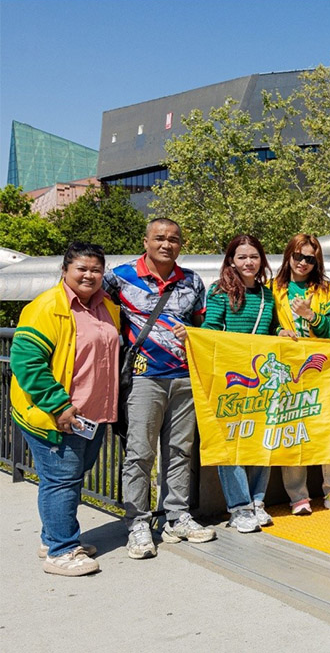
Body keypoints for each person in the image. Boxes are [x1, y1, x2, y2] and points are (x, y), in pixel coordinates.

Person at [104, 218, 215, 560]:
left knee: (180, 451)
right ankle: (137, 522)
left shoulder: (193, 281)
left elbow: (205, 324)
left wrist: (194, 334)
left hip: (184, 378)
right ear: (146, 241)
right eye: (160, 238)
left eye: (173, 239)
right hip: (143, 379)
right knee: (140, 453)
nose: (166, 244)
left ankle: (176, 516)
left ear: (181, 244)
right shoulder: (118, 276)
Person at [11, 243, 119, 576]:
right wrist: (59, 406)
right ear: (65, 270)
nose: (89, 275)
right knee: (61, 480)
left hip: (94, 414)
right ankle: (61, 551)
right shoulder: (45, 308)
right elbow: (26, 362)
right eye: (81, 269)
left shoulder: (108, 307)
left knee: (68, 478)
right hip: (57, 414)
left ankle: (54, 538)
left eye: (96, 270)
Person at [202, 234, 286, 533]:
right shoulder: (219, 292)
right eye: (242, 257)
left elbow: (272, 326)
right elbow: (209, 330)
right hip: (230, 379)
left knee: (263, 441)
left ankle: (257, 500)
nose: (248, 262)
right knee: (231, 444)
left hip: (261, 381)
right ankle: (239, 506)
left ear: (262, 259)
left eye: (254, 256)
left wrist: (281, 333)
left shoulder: (266, 295)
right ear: (231, 261)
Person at [272, 234, 330, 516]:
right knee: (292, 429)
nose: (303, 263)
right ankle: (298, 496)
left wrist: (310, 315)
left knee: (328, 428)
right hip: (288, 372)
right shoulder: (274, 289)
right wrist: (279, 331)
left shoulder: (327, 290)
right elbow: (265, 327)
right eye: (298, 256)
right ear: (288, 256)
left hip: (324, 369)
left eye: (310, 258)